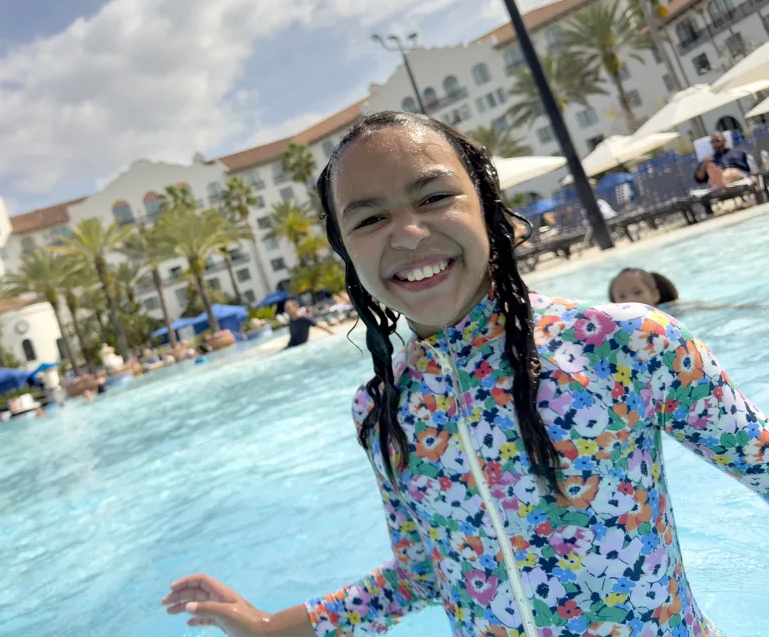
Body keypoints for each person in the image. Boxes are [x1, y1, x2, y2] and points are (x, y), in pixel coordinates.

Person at [162, 111, 769, 636]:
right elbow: (422, 574)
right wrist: (269, 627)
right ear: (345, 249)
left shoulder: (626, 344)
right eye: (369, 219)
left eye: (433, 197)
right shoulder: (384, 410)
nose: (407, 233)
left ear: (486, 203)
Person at [609, 267, 758, 313]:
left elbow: (702, 307)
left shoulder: (669, 309)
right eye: (622, 296)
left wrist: (737, 307)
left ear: (655, 294)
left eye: (637, 292)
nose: (630, 300)